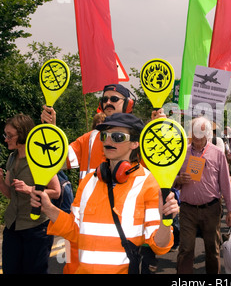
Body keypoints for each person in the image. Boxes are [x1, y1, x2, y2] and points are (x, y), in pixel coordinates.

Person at [41, 83, 165, 274]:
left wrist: (159, 132)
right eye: (104, 99)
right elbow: (56, 158)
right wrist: (51, 131)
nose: (108, 102)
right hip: (81, 236)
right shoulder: (89, 138)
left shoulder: (139, 142)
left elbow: (158, 169)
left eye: (114, 99)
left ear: (128, 104)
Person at [174, 117, 231, 274]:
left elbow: (225, 183)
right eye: (194, 131)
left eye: (201, 131)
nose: (197, 135)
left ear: (208, 133)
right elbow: (171, 179)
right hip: (187, 209)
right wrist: (179, 179)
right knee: (186, 249)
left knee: (212, 249)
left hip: (211, 209)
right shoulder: (182, 153)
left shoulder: (217, 154)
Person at [0, 114, 61, 274]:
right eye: (5, 134)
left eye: (10, 135)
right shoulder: (12, 158)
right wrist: (0, 181)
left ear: (23, 133)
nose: (6, 139)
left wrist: (29, 189)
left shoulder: (40, 157)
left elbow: (56, 191)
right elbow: (10, 194)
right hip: (13, 226)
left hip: (36, 228)